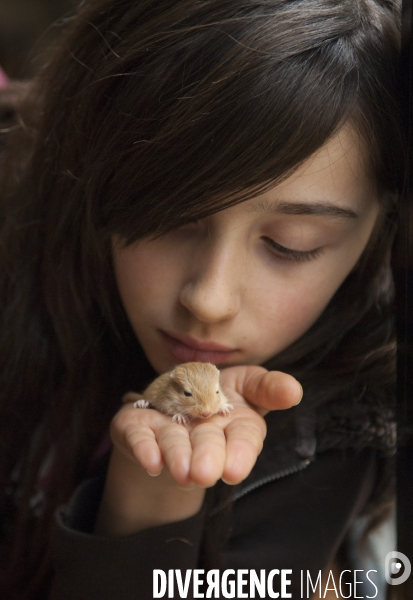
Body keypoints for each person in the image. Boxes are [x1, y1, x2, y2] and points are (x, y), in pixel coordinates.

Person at [0, 0, 404, 598]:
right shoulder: (23, 229)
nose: (209, 300)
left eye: (292, 246)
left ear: (380, 233)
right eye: (170, 218)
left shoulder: (334, 450)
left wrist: (144, 509)